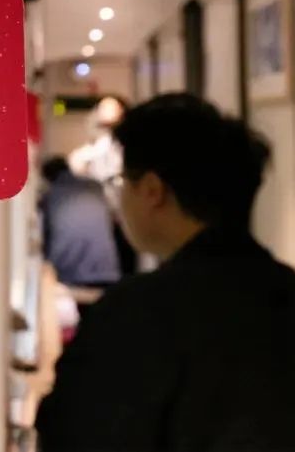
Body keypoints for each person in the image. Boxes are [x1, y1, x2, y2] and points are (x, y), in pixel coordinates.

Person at [35, 94, 295, 452]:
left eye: (122, 182)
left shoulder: (134, 314)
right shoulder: (285, 293)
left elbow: (68, 434)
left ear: (152, 191)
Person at [68, 95, 138, 277]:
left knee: (126, 260)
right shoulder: (97, 145)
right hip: (101, 212)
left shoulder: (125, 145)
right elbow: (77, 164)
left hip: (123, 211)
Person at [38, 156, 121, 291]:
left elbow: (44, 235)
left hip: (69, 273)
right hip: (106, 268)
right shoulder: (95, 186)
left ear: (48, 177)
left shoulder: (50, 196)